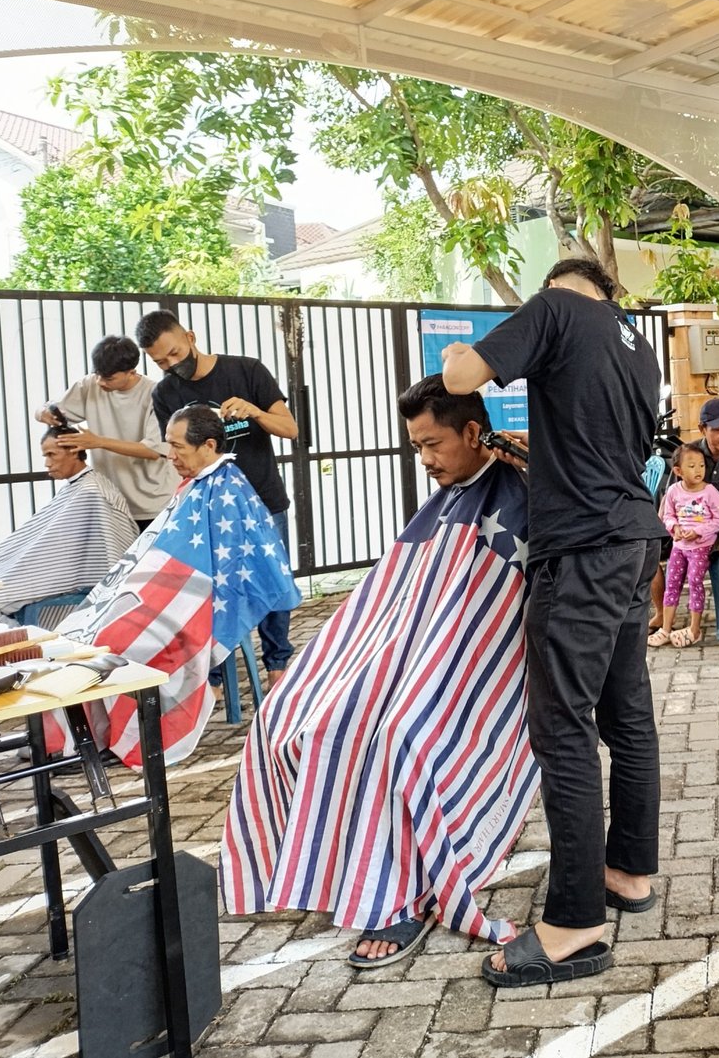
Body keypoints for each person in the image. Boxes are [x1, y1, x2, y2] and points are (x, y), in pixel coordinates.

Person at [221, 378, 537, 969]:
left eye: (432, 445)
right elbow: (391, 599)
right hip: (402, 653)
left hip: (470, 669)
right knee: (292, 716)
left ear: (474, 432)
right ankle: (327, 865)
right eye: (415, 447)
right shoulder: (444, 499)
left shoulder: (522, 486)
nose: (423, 461)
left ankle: (400, 898)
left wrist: (538, 464)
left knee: (399, 737)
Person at [440, 257, 665, 988]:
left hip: (582, 553)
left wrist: (452, 354)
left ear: (564, 285)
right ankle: (627, 872)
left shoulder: (557, 308)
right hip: (634, 537)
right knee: (626, 716)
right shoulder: (637, 345)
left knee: (562, 724)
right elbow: (600, 448)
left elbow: (461, 379)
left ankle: (573, 924)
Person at [57, 406, 301, 767]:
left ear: (208, 445)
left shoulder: (229, 488)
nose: (169, 456)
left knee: (122, 643)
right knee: (80, 635)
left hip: (192, 602)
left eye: (177, 447)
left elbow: (234, 571)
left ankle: (133, 735)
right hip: (164, 592)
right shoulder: (197, 483)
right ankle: (91, 734)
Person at [135, 310, 299, 673]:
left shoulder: (247, 370)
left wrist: (254, 411)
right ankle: (208, 671)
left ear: (190, 337)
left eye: (175, 354)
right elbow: (174, 450)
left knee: (271, 580)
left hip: (263, 500)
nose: (170, 365)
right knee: (207, 589)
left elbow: (289, 429)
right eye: (160, 361)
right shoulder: (165, 392)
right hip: (208, 509)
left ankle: (278, 664)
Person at [0, 426, 139, 626]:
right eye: (45, 456)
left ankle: (29, 644)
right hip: (45, 571)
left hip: (68, 576)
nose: (47, 463)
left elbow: (107, 550)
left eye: (51, 455)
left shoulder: (92, 492)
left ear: (74, 450)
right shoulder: (78, 487)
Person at [649, 398, 719, 647]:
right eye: (718, 430)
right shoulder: (690, 453)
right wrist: (673, 528)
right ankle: (661, 613)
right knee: (647, 550)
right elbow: (670, 498)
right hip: (688, 529)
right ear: (703, 429)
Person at [33, 335, 179, 531]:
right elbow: (50, 409)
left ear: (131, 372)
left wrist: (98, 442)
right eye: (98, 374)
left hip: (154, 503)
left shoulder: (156, 394)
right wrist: (43, 412)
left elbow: (153, 450)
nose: (101, 382)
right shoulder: (89, 385)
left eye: (109, 378)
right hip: (111, 503)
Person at [648, 446, 719, 649]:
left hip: (700, 547)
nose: (698, 470)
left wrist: (700, 531)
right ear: (678, 471)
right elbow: (668, 515)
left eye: (701, 465)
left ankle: (694, 629)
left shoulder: (710, 492)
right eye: (691, 466)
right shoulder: (674, 491)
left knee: (694, 582)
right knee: (671, 584)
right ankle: (666, 628)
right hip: (679, 546)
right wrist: (674, 527)